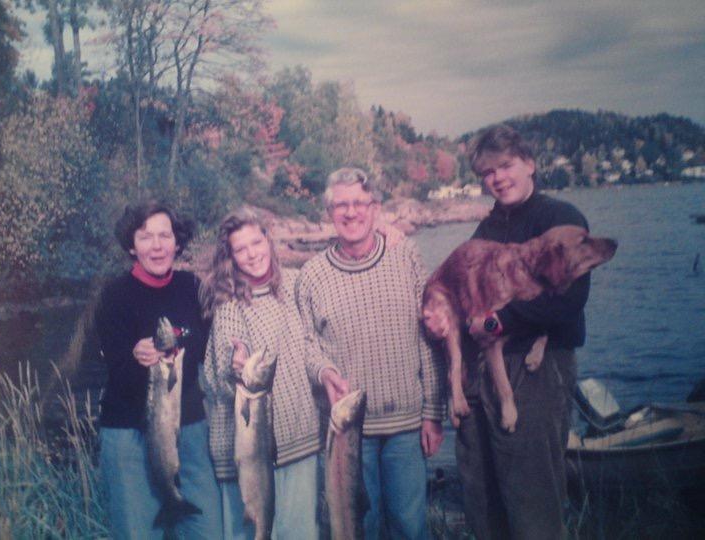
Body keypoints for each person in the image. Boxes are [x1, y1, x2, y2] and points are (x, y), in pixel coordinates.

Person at [295, 167, 447, 540]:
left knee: (410, 527)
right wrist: (324, 372)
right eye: (341, 205)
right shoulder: (312, 275)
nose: (351, 213)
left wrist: (433, 413)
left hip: (406, 429)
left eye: (359, 203)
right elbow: (306, 344)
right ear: (329, 213)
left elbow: (427, 337)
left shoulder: (406, 256)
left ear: (375, 208)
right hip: (347, 434)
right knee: (360, 526)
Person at [454, 125, 588, 540]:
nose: (498, 178)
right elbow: (464, 292)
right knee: (483, 492)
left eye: (506, 165)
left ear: (530, 164)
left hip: (539, 369)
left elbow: (568, 301)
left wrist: (500, 320)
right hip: (486, 369)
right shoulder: (488, 231)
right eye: (488, 172)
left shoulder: (560, 218)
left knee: (533, 496)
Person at [95, 201, 222, 539]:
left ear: (177, 242)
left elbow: (213, 348)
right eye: (146, 236)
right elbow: (112, 369)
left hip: (190, 428)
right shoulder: (114, 296)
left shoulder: (192, 287)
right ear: (131, 246)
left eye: (164, 235)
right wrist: (134, 356)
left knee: (208, 529)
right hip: (129, 434)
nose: (157, 245)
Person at [199, 207, 324, 540]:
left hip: (299, 441)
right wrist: (235, 369)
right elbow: (217, 381)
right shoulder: (228, 307)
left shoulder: (297, 284)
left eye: (256, 242)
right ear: (230, 258)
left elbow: (337, 268)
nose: (252, 254)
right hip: (247, 457)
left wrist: (385, 230)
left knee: (301, 533)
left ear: (269, 241)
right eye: (241, 249)